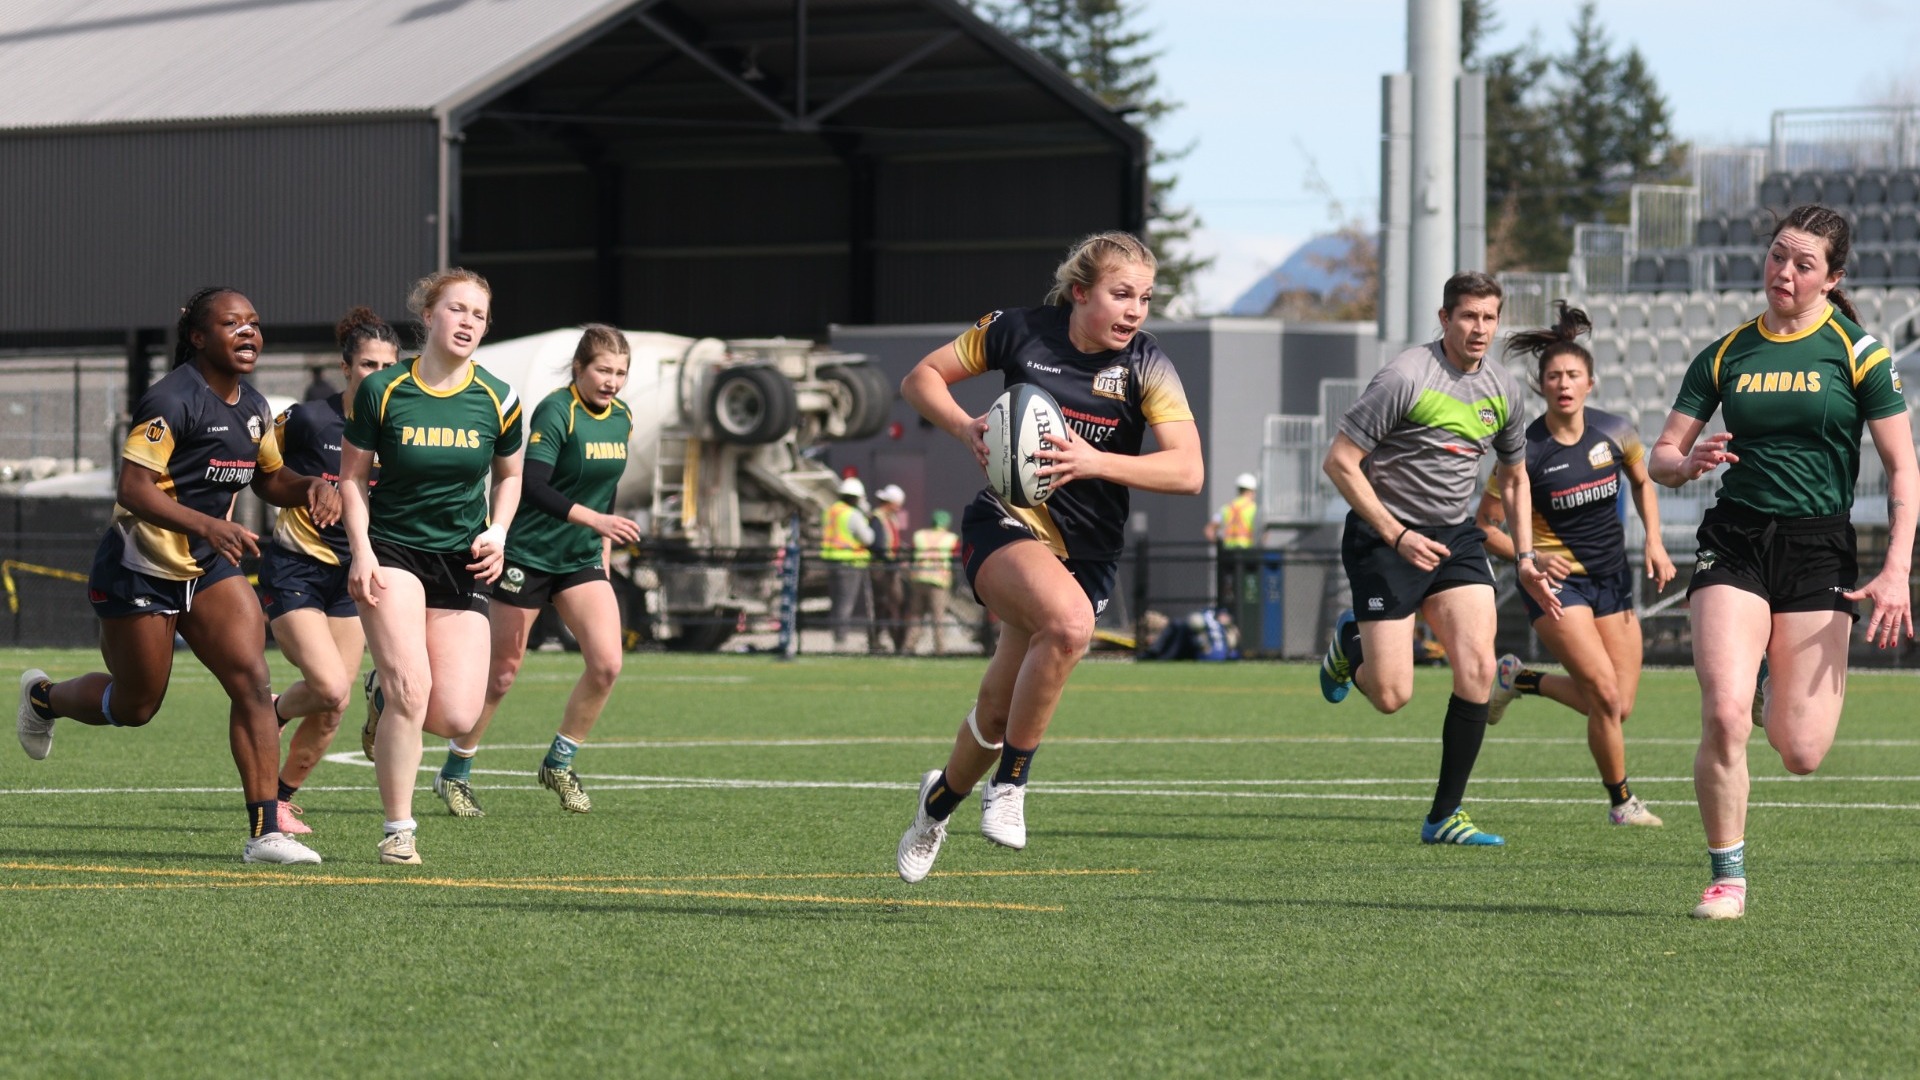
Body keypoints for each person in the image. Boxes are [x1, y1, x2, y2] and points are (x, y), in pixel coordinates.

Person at [894, 230, 1203, 882]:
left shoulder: (1147, 365)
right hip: (1008, 521)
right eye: (1122, 294)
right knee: (1068, 625)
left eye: (1145, 298)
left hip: (1086, 555)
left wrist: (1094, 460)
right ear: (1080, 291)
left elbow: (1188, 471)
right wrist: (964, 425)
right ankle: (1011, 785)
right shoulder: (1016, 330)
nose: (1135, 310)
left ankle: (937, 803)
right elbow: (921, 378)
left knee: (999, 709)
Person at [1648, 205, 1915, 920]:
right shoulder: (1726, 353)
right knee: (1725, 714)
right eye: (1776, 257)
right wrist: (1687, 461)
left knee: (1800, 752)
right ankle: (1726, 876)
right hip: (1734, 539)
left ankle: (1772, 688)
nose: (1784, 274)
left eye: (1803, 265)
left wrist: (1895, 570)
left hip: (1818, 547)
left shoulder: (1859, 353)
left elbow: (1902, 471)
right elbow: (1660, 458)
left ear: (1833, 279)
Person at [16, 287, 339, 864]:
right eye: (232, 323)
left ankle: (267, 832)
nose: (249, 333)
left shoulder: (254, 407)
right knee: (137, 706)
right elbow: (132, 489)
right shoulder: (170, 399)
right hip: (139, 565)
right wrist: (210, 525)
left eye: (255, 324)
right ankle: (44, 697)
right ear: (198, 337)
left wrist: (311, 485)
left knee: (251, 680)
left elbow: (269, 479)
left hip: (209, 567)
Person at [1317, 271, 1559, 847]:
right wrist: (1397, 535)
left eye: (1489, 318)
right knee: (1392, 696)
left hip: (1454, 539)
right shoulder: (1405, 376)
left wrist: (1525, 555)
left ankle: (1444, 817)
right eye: (1468, 317)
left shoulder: (1504, 390)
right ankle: (1351, 645)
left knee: (1477, 668)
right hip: (1384, 539)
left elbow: (1515, 477)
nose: (1479, 329)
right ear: (1445, 318)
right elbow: (1340, 463)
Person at [342, 268, 524, 865]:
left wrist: (498, 531)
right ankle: (399, 830)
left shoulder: (499, 397)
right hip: (392, 551)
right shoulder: (384, 390)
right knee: (412, 692)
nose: (469, 321)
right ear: (429, 316)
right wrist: (362, 551)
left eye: (480, 314)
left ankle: (380, 692)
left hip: (461, 561)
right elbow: (351, 478)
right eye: (458, 309)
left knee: (453, 713)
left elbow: (512, 474)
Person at [1474, 303, 1676, 827]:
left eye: (1573, 375)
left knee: (1617, 706)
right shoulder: (1525, 452)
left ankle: (1518, 680)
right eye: (1553, 377)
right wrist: (1530, 556)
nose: (1563, 384)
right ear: (1541, 386)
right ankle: (1622, 803)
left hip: (1614, 579)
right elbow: (1483, 527)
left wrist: (1654, 541)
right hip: (1557, 588)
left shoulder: (1617, 432)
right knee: (1604, 696)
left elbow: (1643, 482)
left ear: (1590, 382)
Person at [432, 324, 639, 817]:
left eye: (620, 373)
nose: (612, 381)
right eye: (603, 370)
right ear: (579, 369)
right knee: (502, 674)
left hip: (580, 558)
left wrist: (602, 548)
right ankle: (455, 773)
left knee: (608, 663)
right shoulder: (557, 409)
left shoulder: (623, 417)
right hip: (526, 557)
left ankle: (560, 762)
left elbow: (605, 489)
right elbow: (535, 486)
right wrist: (598, 520)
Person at [257, 307, 401, 835]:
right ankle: (270, 712)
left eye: (389, 365)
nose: (378, 375)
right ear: (346, 367)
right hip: (295, 568)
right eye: (368, 364)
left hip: (353, 577)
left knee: (333, 706)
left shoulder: (401, 428)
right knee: (332, 686)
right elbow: (257, 469)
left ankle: (281, 798)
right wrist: (311, 487)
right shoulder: (308, 419)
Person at [821, 476, 874, 647]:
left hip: (831, 561)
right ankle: (840, 640)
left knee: (836, 602)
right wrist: (866, 514)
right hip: (850, 563)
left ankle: (836, 636)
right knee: (845, 603)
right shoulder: (853, 514)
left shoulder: (831, 511)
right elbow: (868, 538)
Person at [905, 508, 960, 655]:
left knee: (916, 615)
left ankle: (909, 646)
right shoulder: (951, 539)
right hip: (938, 582)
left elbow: (911, 555)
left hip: (918, 579)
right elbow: (955, 559)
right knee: (938, 618)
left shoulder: (920, 535)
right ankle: (939, 649)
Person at [1206, 473, 1259, 608]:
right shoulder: (1254, 508)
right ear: (1252, 491)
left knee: (1229, 590)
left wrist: (1219, 544)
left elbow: (1209, 531)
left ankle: (1228, 611)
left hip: (1228, 554)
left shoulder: (1226, 508)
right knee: (1249, 591)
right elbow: (1262, 533)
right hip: (1247, 554)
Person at [869, 483, 909, 653]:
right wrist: (890, 560)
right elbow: (878, 544)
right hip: (882, 569)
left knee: (891, 604)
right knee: (885, 604)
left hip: (890, 567)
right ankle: (882, 641)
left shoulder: (889, 518)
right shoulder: (878, 518)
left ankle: (891, 641)